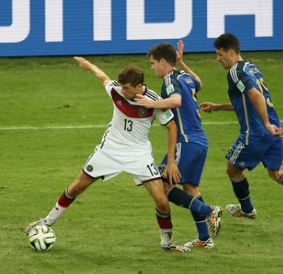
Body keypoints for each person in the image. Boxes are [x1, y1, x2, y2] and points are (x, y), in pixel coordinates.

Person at [25, 58, 191, 253]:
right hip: (110, 150)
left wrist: (171, 161)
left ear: (139, 86)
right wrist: (89, 66)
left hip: (139, 155)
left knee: (162, 201)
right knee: (78, 186)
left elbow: (172, 127)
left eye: (127, 88)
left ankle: (167, 243)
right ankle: (46, 222)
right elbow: (103, 77)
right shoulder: (116, 90)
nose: (122, 91)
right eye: (121, 87)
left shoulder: (154, 101)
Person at [200, 33, 283, 234]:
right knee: (277, 172)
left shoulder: (234, 72)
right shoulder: (251, 67)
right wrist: (218, 106)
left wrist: (265, 124)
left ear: (231, 52)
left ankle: (247, 209)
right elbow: (248, 101)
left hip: (256, 132)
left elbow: (254, 95)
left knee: (232, 170)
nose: (217, 59)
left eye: (220, 54)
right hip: (275, 130)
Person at [136, 42, 223, 249]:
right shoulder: (184, 76)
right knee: (190, 187)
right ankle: (204, 238)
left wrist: (150, 103)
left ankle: (208, 210)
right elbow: (199, 83)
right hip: (200, 141)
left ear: (163, 61)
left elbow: (175, 101)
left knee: (162, 186)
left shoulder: (169, 80)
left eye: (153, 63)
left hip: (185, 141)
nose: (152, 68)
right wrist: (183, 63)